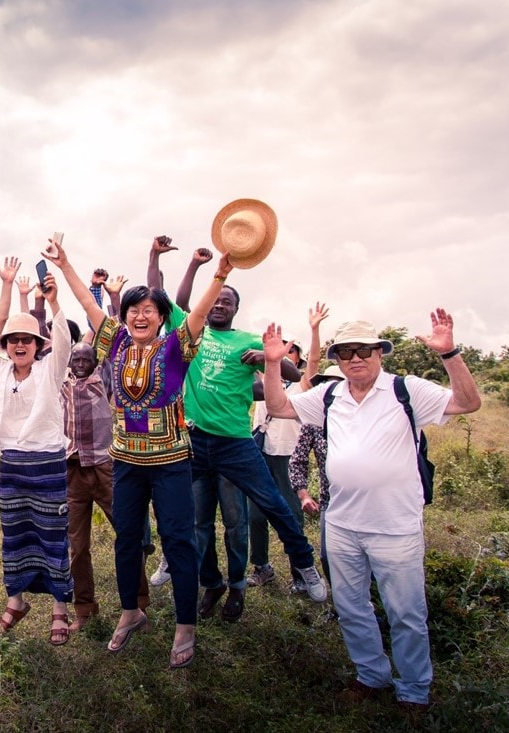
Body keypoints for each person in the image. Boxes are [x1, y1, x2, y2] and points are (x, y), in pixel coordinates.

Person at [263, 313, 480, 711]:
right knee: (350, 607)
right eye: (346, 352)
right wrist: (274, 363)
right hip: (341, 523)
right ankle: (371, 675)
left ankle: (414, 690)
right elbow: (278, 407)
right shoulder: (330, 396)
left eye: (364, 350)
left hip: (395, 526)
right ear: (338, 358)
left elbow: (468, 402)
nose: (355, 358)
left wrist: (449, 353)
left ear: (380, 352)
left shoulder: (405, 390)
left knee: (405, 612)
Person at [51, 236, 233, 668]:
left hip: (171, 463)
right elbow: (88, 303)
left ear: (162, 317)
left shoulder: (176, 346)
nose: (139, 315)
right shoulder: (115, 343)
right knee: (127, 540)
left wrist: (220, 274)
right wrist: (65, 264)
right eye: (133, 309)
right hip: (126, 463)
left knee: (178, 541)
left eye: (149, 310)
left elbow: (199, 312)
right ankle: (131, 612)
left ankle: (185, 625)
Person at [150, 222, 327, 624]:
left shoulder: (247, 340)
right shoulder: (192, 334)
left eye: (227, 301)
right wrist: (163, 257)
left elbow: (291, 373)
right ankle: (189, 569)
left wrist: (266, 358)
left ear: (235, 309)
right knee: (182, 511)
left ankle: (302, 563)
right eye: (216, 299)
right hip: (194, 442)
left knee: (268, 505)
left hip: (235, 443)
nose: (219, 304)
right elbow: (166, 297)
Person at [0, 261, 73, 647]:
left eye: (27, 340)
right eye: (13, 340)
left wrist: (54, 302)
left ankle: (60, 607)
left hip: (47, 466)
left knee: (51, 536)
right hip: (12, 466)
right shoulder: (0, 371)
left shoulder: (50, 371)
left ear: (38, 345)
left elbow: (64, 341)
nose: (20, 345)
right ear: (7, 345)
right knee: (15, 535)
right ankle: (16, 601)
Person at [247, 302, 329, 592]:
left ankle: (300, 574)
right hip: (261, 453)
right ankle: (262, 567)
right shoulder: (263, 381)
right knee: (255, 515)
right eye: (280, 348)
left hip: (289, 458)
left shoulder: (302, 386)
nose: (284, 352)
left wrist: (314, 329)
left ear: (297, 357)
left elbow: (315, 361)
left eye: (290, 350)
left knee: (292, 516)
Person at [59, 341, 117, 631]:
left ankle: (138, 604)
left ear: (96, 362)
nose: (81, 364)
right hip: (73, 471)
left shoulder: (103, 377)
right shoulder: (61, 382)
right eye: (76, 359)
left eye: (86, 359)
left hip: (104, 468)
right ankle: (84, 609)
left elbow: (109, 336)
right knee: (78, 546)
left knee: (128, 536)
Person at [289, 365, 344, 589]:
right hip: (330, 501)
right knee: (328, 556)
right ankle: (342, 600)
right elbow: (297, 460)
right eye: (325, 386)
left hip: (368, 502)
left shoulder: (365, 418)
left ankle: (371, 599)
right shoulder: (314, 421)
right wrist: (303, 495)